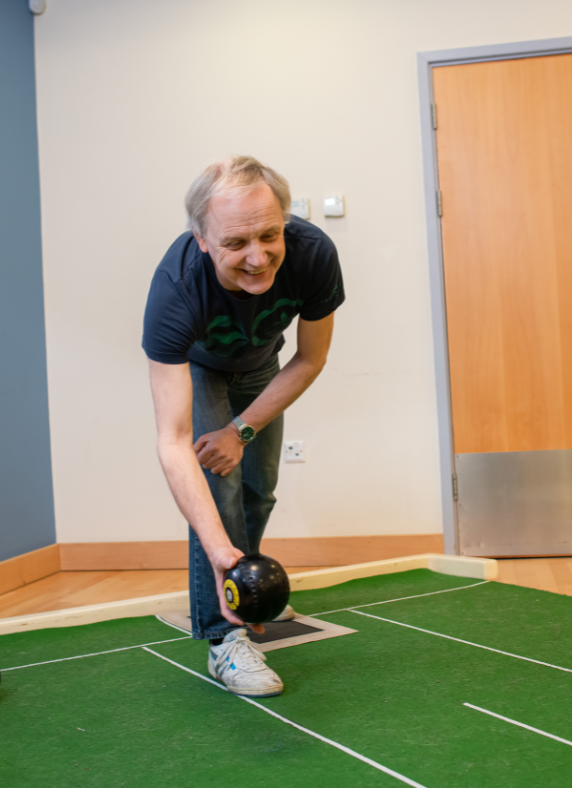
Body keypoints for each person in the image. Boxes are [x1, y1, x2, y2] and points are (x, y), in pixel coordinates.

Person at [142, 156, 345, 697]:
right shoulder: (175, 291)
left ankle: (249, 595)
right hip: (202, 368)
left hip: (262, 368)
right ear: (202, 239)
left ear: (285, 219)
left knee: (259, 489)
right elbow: (172, 440)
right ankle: (221, 638)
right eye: (236, 244)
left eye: (269, 234)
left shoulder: (314, 253)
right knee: (219, 493)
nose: (257, 258)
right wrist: (217, 550)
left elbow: (309, 359)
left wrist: (242, 431)